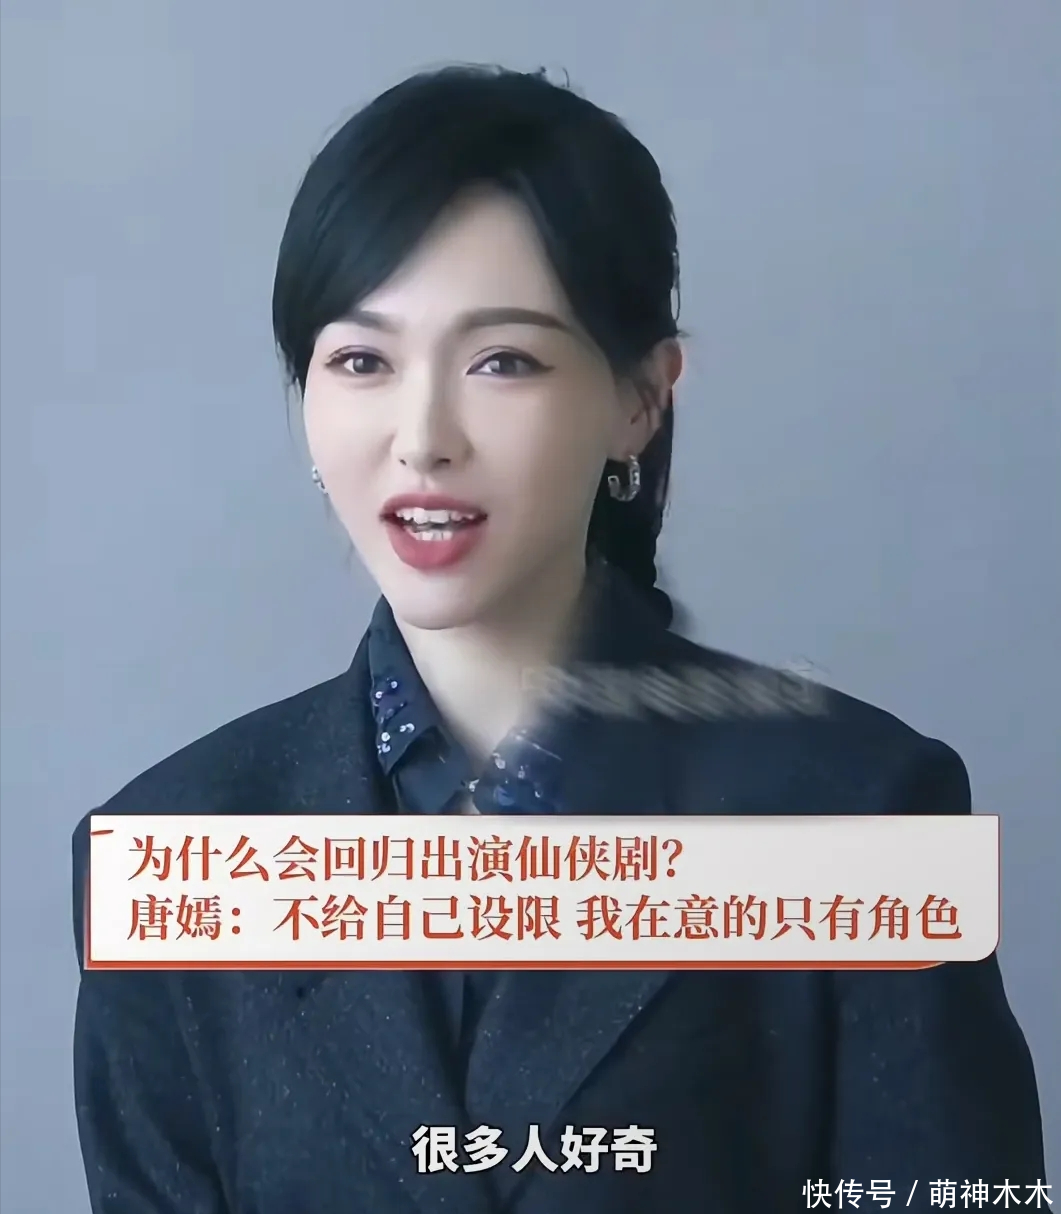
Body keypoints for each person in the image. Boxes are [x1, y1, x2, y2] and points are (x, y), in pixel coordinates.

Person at [71, 65, 1044, 1213]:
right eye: (361, 361)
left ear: (640, 396)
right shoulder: (170, 854)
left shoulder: (858, 814)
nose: (422, 438)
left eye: (503, 361)